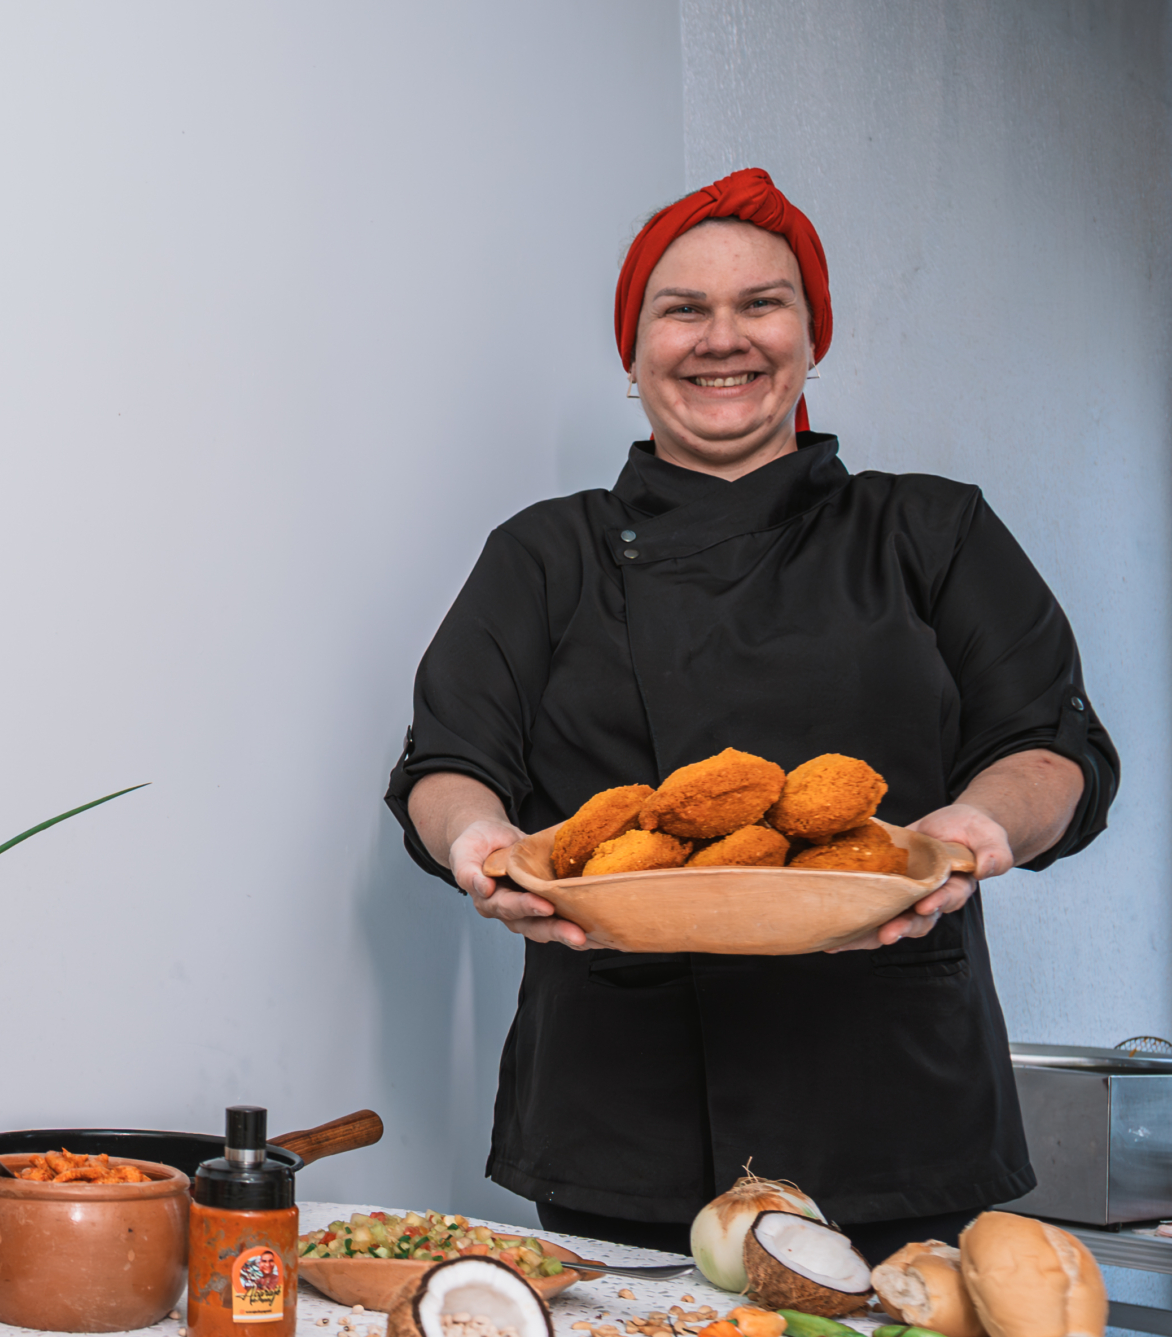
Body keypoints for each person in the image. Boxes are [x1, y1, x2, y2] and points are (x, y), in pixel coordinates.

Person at [385, 168, 1117, 1266]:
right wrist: (476, 841)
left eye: (761, 304)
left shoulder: (932, 530)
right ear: (632, 353)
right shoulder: (544, 554)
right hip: (620, 1100)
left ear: (812, 337)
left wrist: (982, 825)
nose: (721, 338)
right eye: (682, 309)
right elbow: (448, 762)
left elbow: (1050, 745)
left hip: (892, 1093)